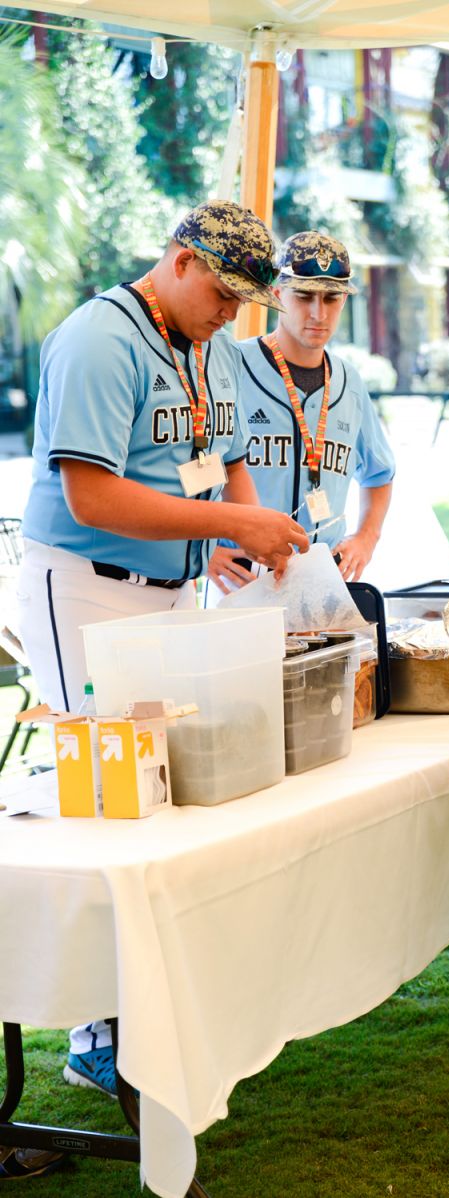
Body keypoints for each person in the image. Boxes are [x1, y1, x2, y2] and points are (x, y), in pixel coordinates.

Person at [13, 200, 309, 1126]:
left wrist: (242, 527)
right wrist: (232, 523)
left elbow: (220, 461)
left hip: (173, 588)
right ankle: (97, 1040)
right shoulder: (100, 338)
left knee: (166, 791)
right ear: (177, 262)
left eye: (244, 302)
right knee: (110, 802)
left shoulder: (208, 339)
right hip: (86, 586)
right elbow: (94, 496)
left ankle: (153, 1009)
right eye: (222, 293)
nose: (232, 313)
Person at [207, 230, 395, 595]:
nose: (318, 313)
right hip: (241, 578)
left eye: (331, 298)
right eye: (304, 295)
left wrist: (366, 538)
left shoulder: (348, 381)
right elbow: (190, 466)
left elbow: (379, 473)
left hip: (323, 578)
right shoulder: (229, 364)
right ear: (277, 294)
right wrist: (205, 551)